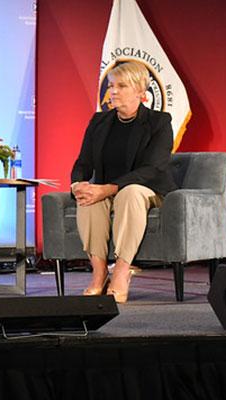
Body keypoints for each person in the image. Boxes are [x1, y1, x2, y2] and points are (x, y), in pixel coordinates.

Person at [70, 60, 177, 303]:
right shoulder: (99, 121)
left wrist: (109, 188)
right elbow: (83, 162)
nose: (113, 91)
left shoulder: (159, 122)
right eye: (111, 85)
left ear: (140, 90)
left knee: (130, 192)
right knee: (88, 198)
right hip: (108, 191)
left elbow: (153, 168)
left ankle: (121, 271)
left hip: (148, 190)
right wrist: (78, 184)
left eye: (121, 86)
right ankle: (99, 273)